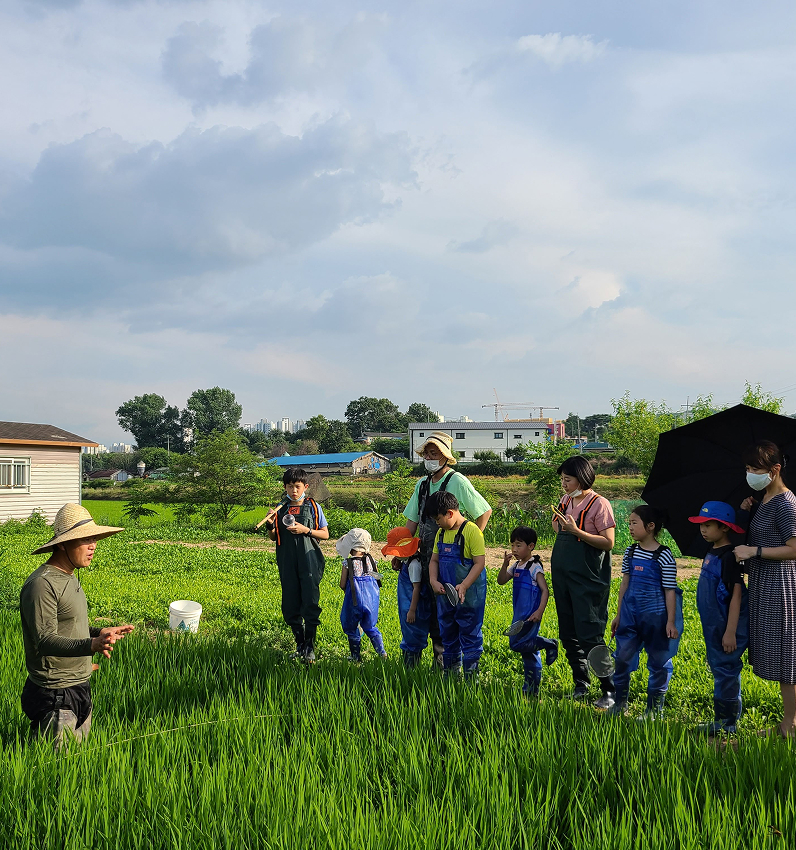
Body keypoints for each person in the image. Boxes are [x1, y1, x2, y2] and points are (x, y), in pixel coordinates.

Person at [20, 503, 134, 749]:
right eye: (85, 539)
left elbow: (69, 626)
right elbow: (45, 640)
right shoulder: (42, 585)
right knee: (55, 770)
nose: (93, 546)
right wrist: (92, 644)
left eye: (94, 538)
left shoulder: (70, 577)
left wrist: (99, 632)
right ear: (62, 543)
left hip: (79, 685)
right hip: (56, 695)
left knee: (76, 763)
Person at [400, 431, 492, 667]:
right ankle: (420, 659)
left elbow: (484, 512)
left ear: (445, 457)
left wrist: (469, 544)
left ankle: (444, 661)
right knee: (425, 606)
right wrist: (401, 551)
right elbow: (412, 523)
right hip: (425, 557)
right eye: (427, 453)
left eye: (435, 453)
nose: (430, 457)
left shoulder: (456, 481)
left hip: (451, 559)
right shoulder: (422, 484)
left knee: (448, 607)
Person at [733, 440, 796, 739]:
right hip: (765, 582)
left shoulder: (785, 504)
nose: (750, 474)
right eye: (747, 469)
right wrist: (748, 511)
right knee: (778, 654)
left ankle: (789, 726)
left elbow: (794, 549)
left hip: (780, 585)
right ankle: (789, 722)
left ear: (775, 469)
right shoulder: (765, 500)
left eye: (755, 469)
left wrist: (754, 551)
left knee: (787, 655)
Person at [550, 455, 617, 708]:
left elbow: (608, 542)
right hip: (563, 576)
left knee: (589, 632)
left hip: (588, 578)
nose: (564, 484)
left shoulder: (600, 504)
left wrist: (577, 531)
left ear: (583, 478)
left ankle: (609, 689)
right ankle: (581, 683)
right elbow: (560, 532)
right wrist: (560, 522)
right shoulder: (565, 501)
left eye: (567, 479)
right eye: (562, 480)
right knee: (568, 631)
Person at [609, 505, 682, 718]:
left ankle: (653, 710)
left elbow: (670, 591)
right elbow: (625, 583)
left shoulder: (664, 555)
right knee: (622, 657)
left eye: (634, 523)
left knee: (659, 662)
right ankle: (620, 703)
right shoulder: (631, 552)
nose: (630, 527)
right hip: (630, 615)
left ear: (650, 526)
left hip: (656, 617)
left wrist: (670, 621)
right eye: (629, 523)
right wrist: (619, 613)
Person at [688, 501, 748, 734]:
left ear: (725, 527)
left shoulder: (729, 557)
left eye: (709, 525)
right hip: (713, 625)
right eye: (701, 524)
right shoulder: (711, 551)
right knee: (719, 668)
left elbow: (736, 596)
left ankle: (727, 722)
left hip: (725, 625)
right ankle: (722, 719)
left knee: (726, 669)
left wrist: (731, 631)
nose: (703, 529)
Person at [263, 467, 329, 662]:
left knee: (310, 601)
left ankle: (310, 647)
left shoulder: (313, 506)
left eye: (297, 487)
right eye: (290, 486)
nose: (294, 491)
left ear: (305, 487)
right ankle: (299, 644)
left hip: (309, 560)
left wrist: (305, 530)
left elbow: (325, 534)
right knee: (290, 603)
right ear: (284, 487)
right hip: (287, 560)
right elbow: (274, 537)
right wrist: (270, 524)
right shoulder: (279, 508)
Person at [427, 491, 487, 679]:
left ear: (450, 513)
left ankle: (471, 675)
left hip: (469, 596)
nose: (437, 523)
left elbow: (479, 563)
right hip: (446, 596)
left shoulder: (472, 531)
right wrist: (433, 580)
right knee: (448, 632)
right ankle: (451, 672)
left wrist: (464, 585)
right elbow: (434, 560)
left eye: (438, 519)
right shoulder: (441, 532)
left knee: (470, 633)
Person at [497, 526, 558, 696]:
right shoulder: (516, 566)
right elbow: (501, 581)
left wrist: (539, 611)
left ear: (530, 546)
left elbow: (545, 590)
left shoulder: (534, 566)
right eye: (512, 546)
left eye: (518, 545)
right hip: (519, 613)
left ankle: (549, 643)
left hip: (530, 614)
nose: (514, 550)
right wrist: (504, 564)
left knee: (518, 644)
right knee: (527, 652)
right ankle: (531, 689)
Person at [336, 528, 387, 662]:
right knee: (370, 627)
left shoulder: (347, 563)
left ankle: (355, 656)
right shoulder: (371, 560)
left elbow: (342, 584)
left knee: (352, 627)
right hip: (371, 600)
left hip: (354, 600)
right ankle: (382, 652)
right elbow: (377, 578)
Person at [382, 526, 430, 668]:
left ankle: (411, 666)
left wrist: (412, 610)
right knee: (408, 633)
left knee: (413, 635)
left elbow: (417, 588)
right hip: (406, 606)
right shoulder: (407, 562)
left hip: (412, 607)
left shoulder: (414, 565)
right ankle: (407, 662)